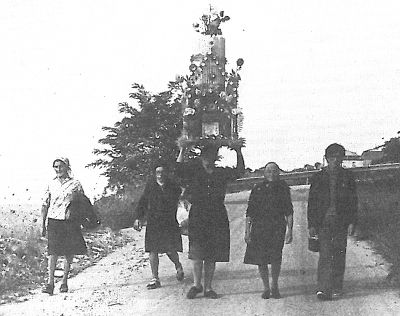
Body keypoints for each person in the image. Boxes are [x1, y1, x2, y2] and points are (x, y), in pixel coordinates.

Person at [176, 140, 245, 299]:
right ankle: (196, 285)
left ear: (215, 157)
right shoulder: (194, 171)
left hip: (216, 215)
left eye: (211, 156)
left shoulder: (221, 173)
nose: (208, 159)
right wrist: (182, 149)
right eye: (205, 156)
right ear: (201, 157)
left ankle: (208, 288)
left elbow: (239, 171)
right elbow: (178, 170)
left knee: (212, 254)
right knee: (197, 252)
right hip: (198, 214)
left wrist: (238, 151)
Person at [307, 143, 358, 300]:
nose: (335, 160)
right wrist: (312, 225)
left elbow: (353, 201)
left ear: (342, 158)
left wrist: (352, 222)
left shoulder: (347, 177)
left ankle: (337, 286)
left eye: (338, 157)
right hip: (323, 222)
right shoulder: (318, 177)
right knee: (325, 254)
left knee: (339, 253)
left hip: (341, 222)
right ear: (327, 158)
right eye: (332, 157)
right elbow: (312, 202)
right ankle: (323, 288)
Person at [244, 162, 293, 299]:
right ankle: (266, 288)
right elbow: (250, 212)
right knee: (261, 259)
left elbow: (289, 211)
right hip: (259, 228)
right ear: (264, 173)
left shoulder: (283, 188)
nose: (272, 173)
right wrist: (247, 231)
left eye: (274, 171)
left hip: (277, 227)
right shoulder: (258, 188)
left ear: (278, 172)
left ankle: (274, 285)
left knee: (276, 258)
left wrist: (290, 230)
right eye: (269, 171)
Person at [133, 162, 184, 290]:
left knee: (170, 249)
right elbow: (143, 202)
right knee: (152, 249)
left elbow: (181, 198)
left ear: (166, 173)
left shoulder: (173, 186)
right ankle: (155, 278)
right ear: (154, 174)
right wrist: (138, 217)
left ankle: (178, 266)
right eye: (157, 173)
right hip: (154, 222)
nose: (160, 175)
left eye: (162, 172)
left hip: (168, 221)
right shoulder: (150, 186)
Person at [41, 157, 87, 295]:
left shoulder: (75, 184)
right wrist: (42, 224)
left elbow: (83, 203)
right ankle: (50, 283)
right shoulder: (51, 184)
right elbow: (45, 204)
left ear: (67, 167)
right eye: (56, 167)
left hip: (70, 222)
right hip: (54, 220)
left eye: (61, 166)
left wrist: (79, 217)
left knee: (68, 251)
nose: (58, 169)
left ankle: (64, 281)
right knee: (52, 252)